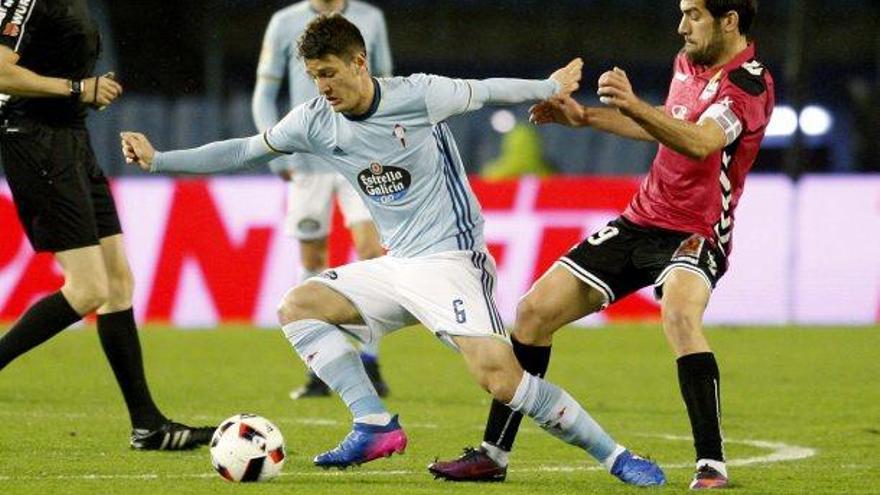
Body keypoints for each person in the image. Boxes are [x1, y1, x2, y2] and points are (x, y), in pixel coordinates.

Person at [121, 13, 665, 486]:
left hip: (451, 259)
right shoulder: (315, 120)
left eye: (329, 73)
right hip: (396, 265)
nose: (322, 87)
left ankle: (615, 456)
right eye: (314, 77)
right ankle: (374, 424)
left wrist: (547, 85)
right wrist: (160, 159)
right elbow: (245, 149)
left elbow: (487, 89)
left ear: (359, 62)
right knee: (298, 307)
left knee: (501, 378)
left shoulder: (417, 94)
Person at [428, 0, 773, 489]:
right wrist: (587, 118)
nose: (682, 27)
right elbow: (664, 126)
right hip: (640, 220)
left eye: (694, 14)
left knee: (678, 315)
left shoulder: (747, 85)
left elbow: (700, 141)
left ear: (730, 20)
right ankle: (493, 454)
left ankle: (711, 465)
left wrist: (631, 103)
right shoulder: (689, 63)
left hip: (697, 232)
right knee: (532, 313)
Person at [0, 0, 213, 450]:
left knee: (118, 283)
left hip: (72, 141)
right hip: (36, 143)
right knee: (89, 288)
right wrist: (79, 87)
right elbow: (0, 72)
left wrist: (84, 94)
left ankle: (148, 426)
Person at [253, 0, 392, 399]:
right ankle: (321, 366)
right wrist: (273, 146)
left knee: (371, 252)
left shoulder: (370, 18)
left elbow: (386, 80)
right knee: (313, 261)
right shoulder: (284, 22)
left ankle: (370, 359)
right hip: (308, 161)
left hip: (359, 158)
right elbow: (264, 93)